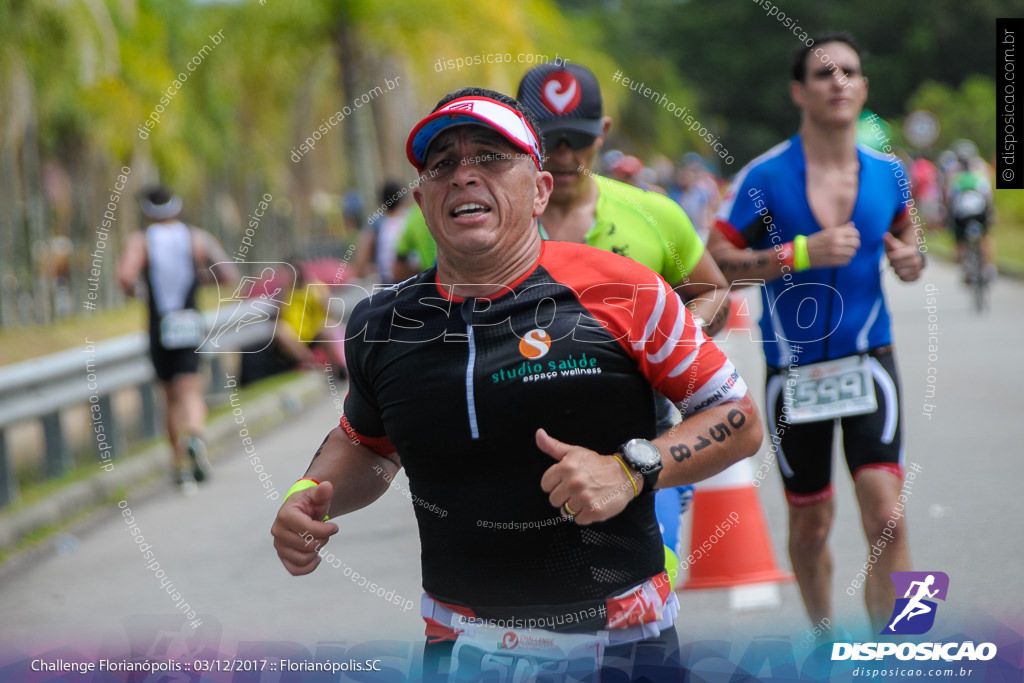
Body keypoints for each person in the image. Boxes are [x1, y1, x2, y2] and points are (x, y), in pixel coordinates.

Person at [271, 88, 763, 678]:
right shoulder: (383, 324)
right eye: (442, 164)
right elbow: (368, 444)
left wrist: (634, 468)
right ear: (424, 201)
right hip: (457, 648)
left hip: (620, 642)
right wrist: (308, 494)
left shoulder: (624, 290)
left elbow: (738, 418)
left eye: (490, 157)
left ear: (540, 191)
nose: (463, 176)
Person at [706, 32, 925, 632]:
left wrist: (911, 259)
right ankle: (824, 641)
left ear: (864, 88)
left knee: (889, 519)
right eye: (824, 74)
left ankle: (900, 650)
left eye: (849, 72)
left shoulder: (889, 173)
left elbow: (909, 236)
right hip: (795, 375)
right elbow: (714, 261)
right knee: (812, 524)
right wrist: (798, 253)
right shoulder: (765, 176)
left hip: (869, 362)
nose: (838, 83)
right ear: (799, 91)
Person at [517, 62, 735, 573]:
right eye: (551, 138)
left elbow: (713, 291)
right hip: (523, 454)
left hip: (641, 448)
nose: (566, 154)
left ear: (604, 133)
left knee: (648, 595)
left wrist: (679, 337)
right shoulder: (493, 226)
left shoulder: (654, 216)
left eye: (580, 138)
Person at [116, 185, 238, 491]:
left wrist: (138, 292)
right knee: (192, 389)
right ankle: (196, 435)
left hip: (160, 325)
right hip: (189, 322)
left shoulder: (140, 241)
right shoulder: (196, 237)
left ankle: (178, 462)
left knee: (170, 398)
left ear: (146, 212)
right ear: (177, 207)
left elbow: (125, 277)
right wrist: (200, 278)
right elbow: (227, 273)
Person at [946, 141, 995, 281]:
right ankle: (988, 266)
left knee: (959, 237)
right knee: (985, 236)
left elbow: (950, 199)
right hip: (981, 210)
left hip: (961, 214)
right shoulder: (982, 169)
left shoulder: (953, 174)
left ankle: (965, 267)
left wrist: (948, 217)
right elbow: (988, 196)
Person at [353, 181, 411, 285]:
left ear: (382, 202)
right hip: (415, 280)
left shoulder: (376, 223)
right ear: (403, 200)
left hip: (389, 285)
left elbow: (361, 263)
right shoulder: (413, 218)